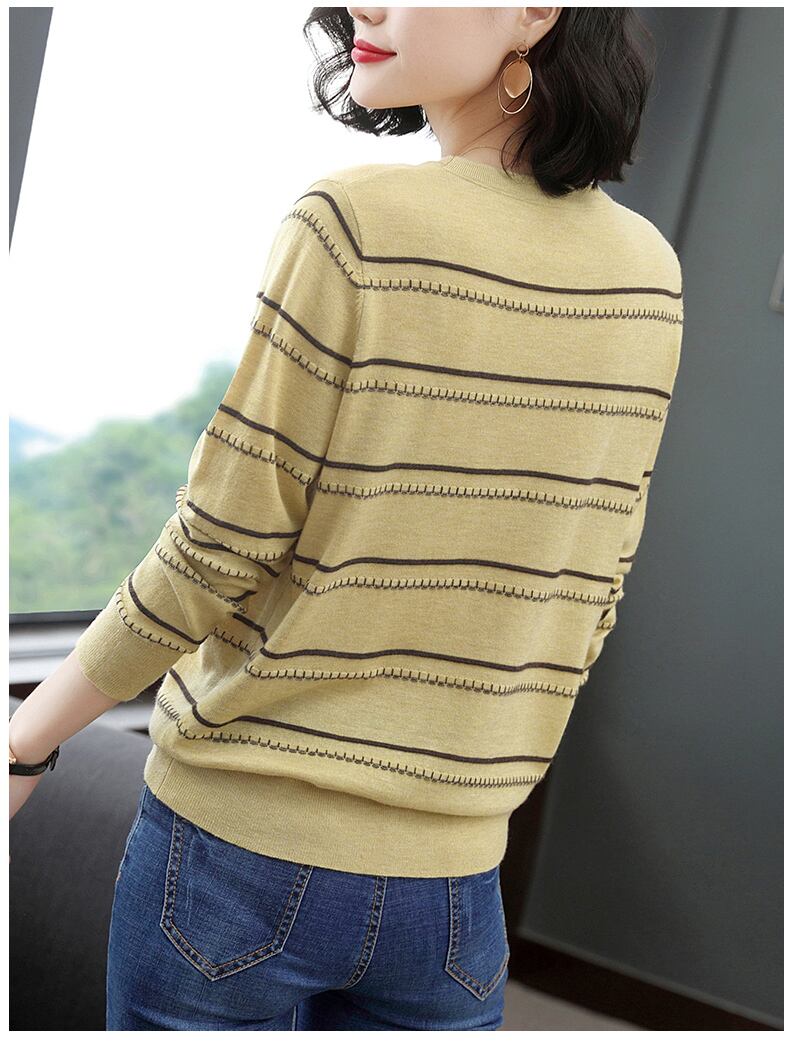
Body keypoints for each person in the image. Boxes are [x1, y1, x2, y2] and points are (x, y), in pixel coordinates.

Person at [9, 6, 684, 1031]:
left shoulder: (352, 221)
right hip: (455, 890)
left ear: (537, 11)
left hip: (233, 861)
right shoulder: (648, 273)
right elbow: (594, 582)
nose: (365, 6)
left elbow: (216, 548)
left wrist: (25, 744)